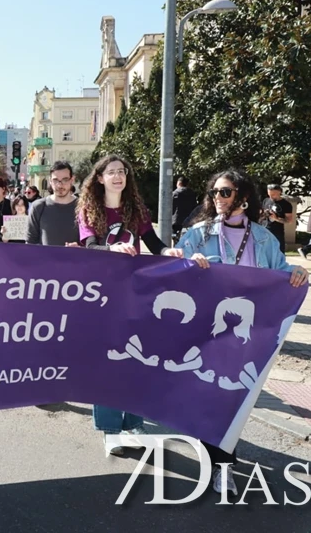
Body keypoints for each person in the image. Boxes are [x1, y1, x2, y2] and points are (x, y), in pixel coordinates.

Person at [176, 168, 307, 495]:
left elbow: (281, 270)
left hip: (246, 336)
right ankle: (219, 462)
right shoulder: (198, 234)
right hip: (206, 332)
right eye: (214, 193)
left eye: (225, 192)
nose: (217, 199)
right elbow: (173, 265)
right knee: (210, 399)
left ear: (243, 198)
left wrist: (297, 271)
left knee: (232, 402)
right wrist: (186, 262)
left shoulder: (263, 238)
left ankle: (222, 465)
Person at [76, 154, 205, 458]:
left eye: (122, 172)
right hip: (103, 296)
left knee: (137, 357)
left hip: (137, 294)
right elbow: (91, 246)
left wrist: (168, 251)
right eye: (111, 172)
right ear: (100, 178)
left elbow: (153, 242)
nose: (118, 176)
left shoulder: (137, 209)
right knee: (109, 361)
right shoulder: (88, 209)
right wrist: (113, 248)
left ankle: (133, 422)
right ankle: (110, 429)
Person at [27, 161, 79, 247]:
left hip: (77, 260)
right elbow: (30, 243)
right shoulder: (38, 207)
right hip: (45, 260)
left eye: (65, 180)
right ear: (50, 181)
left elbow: (91, 243)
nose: (60, 185)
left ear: (72, 180)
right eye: (55, 180)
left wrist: (81, 248)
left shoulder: (84, 207)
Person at [260, 183, 294, 253]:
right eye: (269, 194)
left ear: (279, 192)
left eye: (273, 195)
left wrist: (276, 218)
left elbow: (289, 221)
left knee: (279, 253)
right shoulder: (266, 200)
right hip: (264, 230)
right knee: (263, 252)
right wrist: (263, 214)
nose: (271, 197)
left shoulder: (286, 204)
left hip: (277, 232)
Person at [172, 176, 199, 241]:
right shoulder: (192, 194)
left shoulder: (175, 193)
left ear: (179, 183)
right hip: (189, 220)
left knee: (175, 238)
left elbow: (171, 207)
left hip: (176, 221)